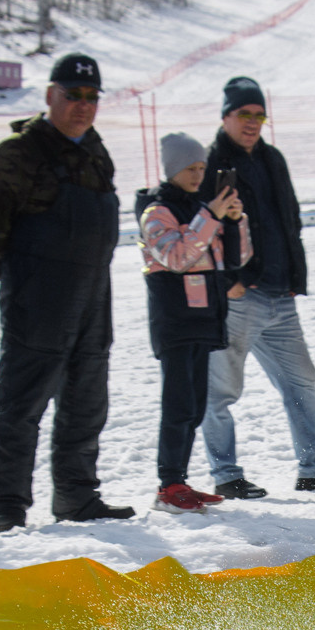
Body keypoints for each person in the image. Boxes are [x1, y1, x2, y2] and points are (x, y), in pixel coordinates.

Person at [0, 54, 132, 531]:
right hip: (38, 297)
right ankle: (6, 504)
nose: (82, 106)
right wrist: (27, 284)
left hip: (93, 295)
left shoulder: (97, 151)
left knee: (86, 401)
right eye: (72, 95)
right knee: (22, 403)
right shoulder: (20, 152)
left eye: (91, 97)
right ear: (50, 96)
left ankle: (77, 496)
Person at [197, 76, 315, 498]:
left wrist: (293, 276)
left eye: (258, 115)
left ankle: (314, 469)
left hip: (280, 294)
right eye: (244, 114)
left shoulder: (273, 158)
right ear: (226, 116)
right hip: (239, 297)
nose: (252, 122)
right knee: (222, 389)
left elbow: (290, 218)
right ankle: (226, 476)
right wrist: (227, 283)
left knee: (301, 381)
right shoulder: (211, 163)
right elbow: (202, 232)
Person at [139, 132, 247, 514]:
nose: (198, 175)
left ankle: (178, 481)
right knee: (179, 404)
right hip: (176, 321)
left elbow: (238, 258)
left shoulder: (203, 208)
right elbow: (177, 256)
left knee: (195, 405)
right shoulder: (156, 212)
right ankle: (169, 484)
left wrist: (233, 221)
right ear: (172, 169)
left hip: (205, 320)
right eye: (191, 168)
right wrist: (212, 216)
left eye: (202, 168)